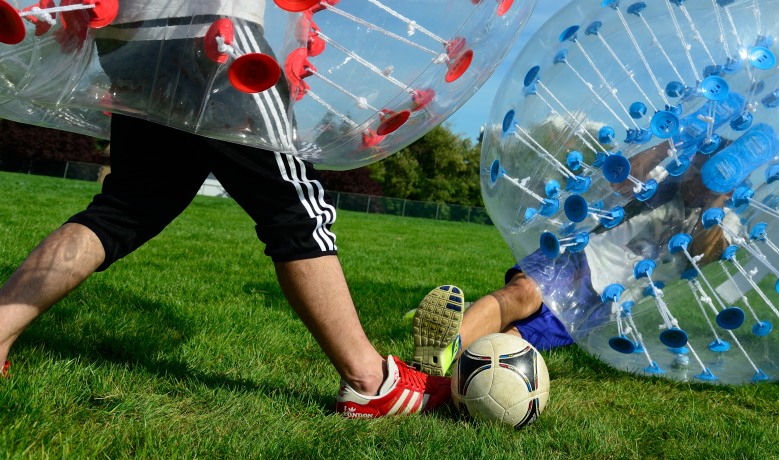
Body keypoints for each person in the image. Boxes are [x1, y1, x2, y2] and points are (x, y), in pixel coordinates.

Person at [0, 1, 450, 418]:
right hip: (218, 37)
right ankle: (369, 381)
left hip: (127, 41)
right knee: (295, 208)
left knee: (125, 207)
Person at [411, 143, 737, 376]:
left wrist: (718, 192)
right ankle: (437, 355)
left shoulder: (726, 222)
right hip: (579, 253)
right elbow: (622, 177)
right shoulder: (667, 179)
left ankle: (454, 376)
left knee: (517, 339)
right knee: (522, 293)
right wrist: (671, 144)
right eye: (698, 167)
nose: (696, 179)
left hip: (606, 298)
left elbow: (703, 252)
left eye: (706, 172)